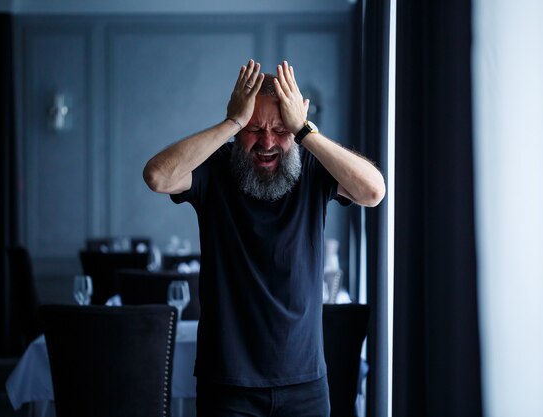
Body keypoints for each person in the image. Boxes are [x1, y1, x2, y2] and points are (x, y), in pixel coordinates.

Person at [143, 59, 385, 417]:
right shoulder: (216, 168)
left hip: (305, 384)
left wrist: (304, 131)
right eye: (254, 128)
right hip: (227, 384)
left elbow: (373, 192)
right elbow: (157, 177)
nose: (267, 141)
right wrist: (231, 122)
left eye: (280, 129)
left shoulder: (313, 168)